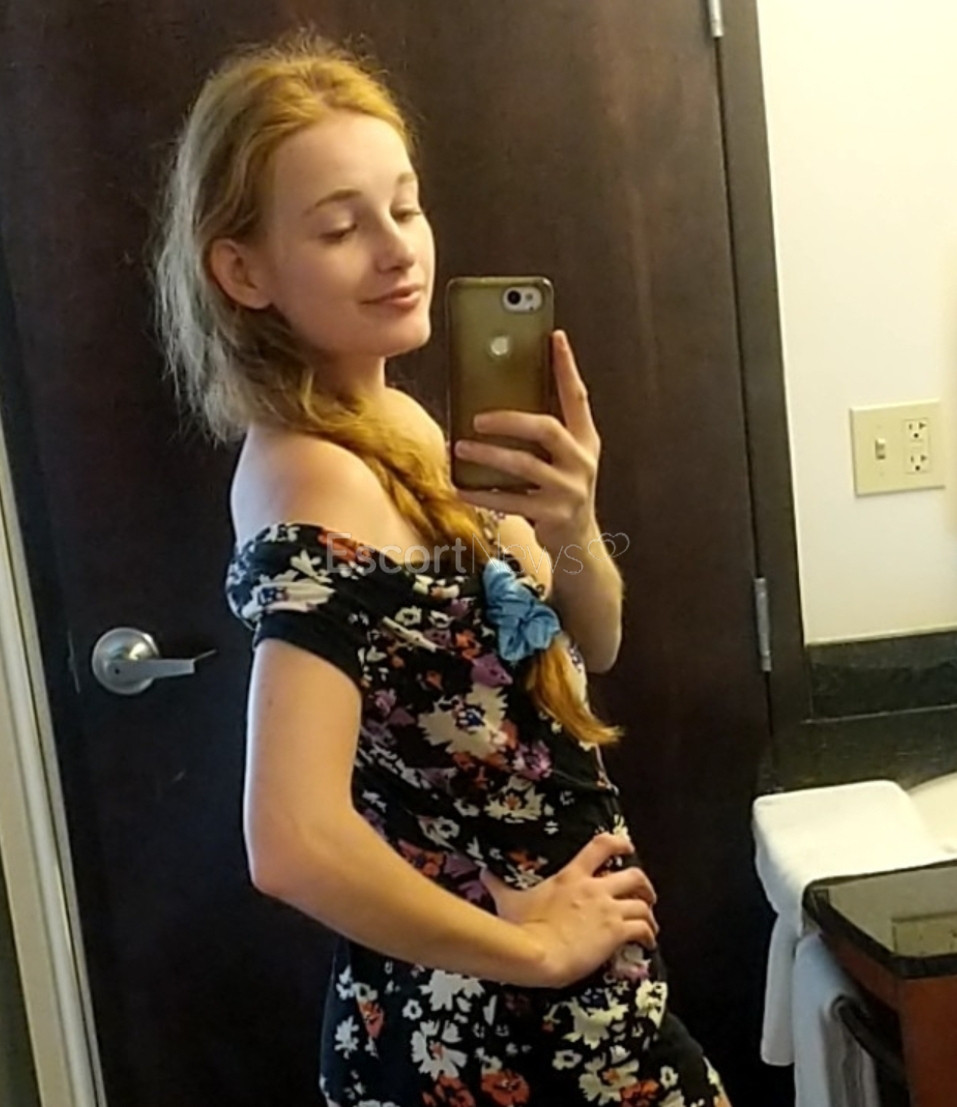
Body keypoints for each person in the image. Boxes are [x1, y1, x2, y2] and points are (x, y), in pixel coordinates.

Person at [153, 29, 730, 1107]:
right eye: (341, 227)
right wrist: (536, 951)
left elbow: (592, 643)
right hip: (482, 1031)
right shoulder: (311, 480)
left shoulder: (408, 426)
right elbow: (289, 840)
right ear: (242, 270)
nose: (397, 250)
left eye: (404, 207)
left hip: (564, 1010)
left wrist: (575, 524)